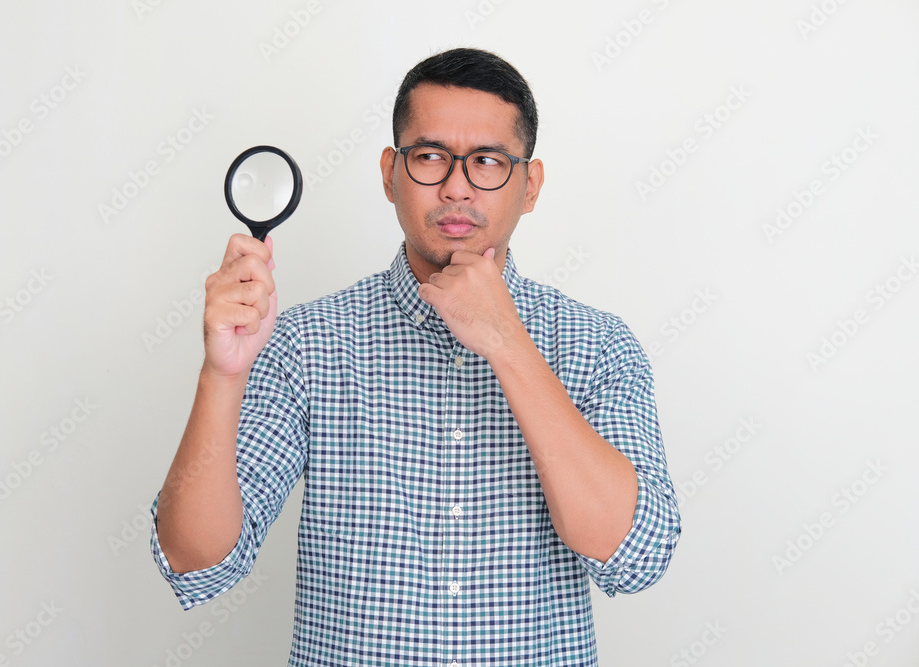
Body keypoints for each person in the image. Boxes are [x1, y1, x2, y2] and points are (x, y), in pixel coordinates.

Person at [151, 47, 681, 666]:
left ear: (528, 185)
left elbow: (637, 557)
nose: (456, 186)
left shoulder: (598, 346)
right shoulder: (305, 344)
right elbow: (196, 562)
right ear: (389, 174)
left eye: (487, 161)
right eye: (430, 157)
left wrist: (507, 343)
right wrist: (222, 374)